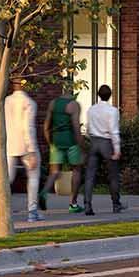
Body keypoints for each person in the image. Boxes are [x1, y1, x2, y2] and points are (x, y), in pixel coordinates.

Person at [1, 79, 42, 222]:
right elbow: (28, 127)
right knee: (33, 177)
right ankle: (32, 211)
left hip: (9, 144)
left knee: (6, 177)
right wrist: (31, 150)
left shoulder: (5, 101)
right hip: (25, 145)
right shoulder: (29, 102)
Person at [81, 85, 125, 214]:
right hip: (107, 143)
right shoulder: (113, 111)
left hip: (94, 142)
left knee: (90, 176)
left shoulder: (91, 110)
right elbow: (114, 131)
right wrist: (117, 149)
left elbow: (88, 129)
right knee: (113, 175)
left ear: (98, 94)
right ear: (110, 95)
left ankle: (87, 205)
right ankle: (116, 204)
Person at [45, 86, 83, 214]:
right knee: (76, 170)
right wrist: (82, 146)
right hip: (71, 141)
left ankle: (43, 193)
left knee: (55, 171)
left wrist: (50, 142)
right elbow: (76, 127)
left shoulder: (53, 104)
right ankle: (73, 203)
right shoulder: (74, 105)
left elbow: (46, 126)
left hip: (56, 140)